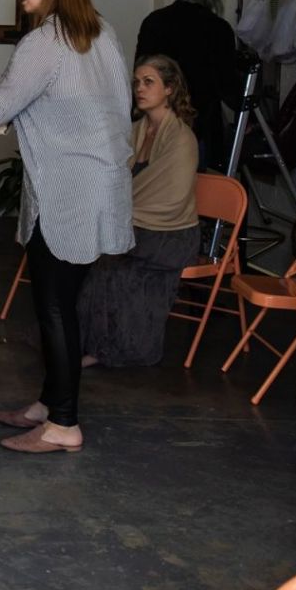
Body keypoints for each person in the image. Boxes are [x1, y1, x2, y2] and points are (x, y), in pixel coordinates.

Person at [0, 0, 133, 455]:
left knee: (54, 306)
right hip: (100, 185)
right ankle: (51, 403)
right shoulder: (102, 31)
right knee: (62, 301)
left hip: (67, 191)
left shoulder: (44, 42)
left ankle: (64, 425)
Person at [78, 55, 202, 368]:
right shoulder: (133, 131)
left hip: (170, 234)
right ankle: (79, 341)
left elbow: (171, 199)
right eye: (136, 83)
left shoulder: (182, 139)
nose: (139, 89)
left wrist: (117, 216)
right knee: (81, 251)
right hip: (133, 225)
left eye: (149, 82)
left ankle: (114, 349)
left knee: (109, 258)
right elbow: (108, 177)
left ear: (169, 89)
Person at [136, 0, 241, 170]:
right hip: (198, 127)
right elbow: (227, 86)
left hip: (153, 124)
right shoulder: (218, 29)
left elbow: (140, 75)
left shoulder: (154, 21)